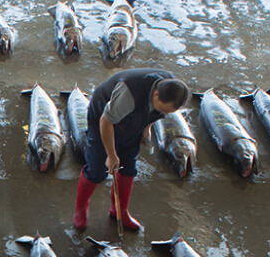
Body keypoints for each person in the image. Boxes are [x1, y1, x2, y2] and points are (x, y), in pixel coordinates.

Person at [72, 68, 189, 231]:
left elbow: (155, 113)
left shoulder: (170, 88)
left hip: (134, 119)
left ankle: (120, 211)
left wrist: (146, 127)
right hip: (104, 118)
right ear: (155, 94)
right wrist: (111, 155)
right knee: (97, 168)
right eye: (163, 110)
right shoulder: (129, 94)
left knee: (129, 167)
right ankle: (81, 209)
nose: (163, 113)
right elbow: (106, 122)